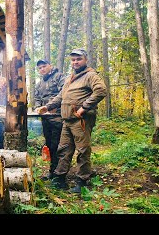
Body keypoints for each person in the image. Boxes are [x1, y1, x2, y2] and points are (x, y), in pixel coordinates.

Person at [37, 48, 107, 193]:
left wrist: (84, 108)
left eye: (78, 59)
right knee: (64, 150)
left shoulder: (91, 75)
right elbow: (61, 96)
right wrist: (47, 107)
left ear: (85, 59)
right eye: (73, 60)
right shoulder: (70, 78)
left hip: (81, 119)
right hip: (67, 120)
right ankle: (60, 179)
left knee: (82, 150)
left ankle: (82, 181)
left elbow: (101, 91)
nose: (75, 62)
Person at [33, 59, 65, 181]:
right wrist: (37, 108)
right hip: (45, 118)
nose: (42, 69)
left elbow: (63, 94)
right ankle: (52, 171)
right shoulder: (39, 83)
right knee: (50, 145)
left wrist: (51, 106)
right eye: (39, 68)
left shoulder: (59, 77)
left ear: (50, 66)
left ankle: (59, 173)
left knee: (57, 145)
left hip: (57, 117)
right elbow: (36, 97)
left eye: (44, 66)